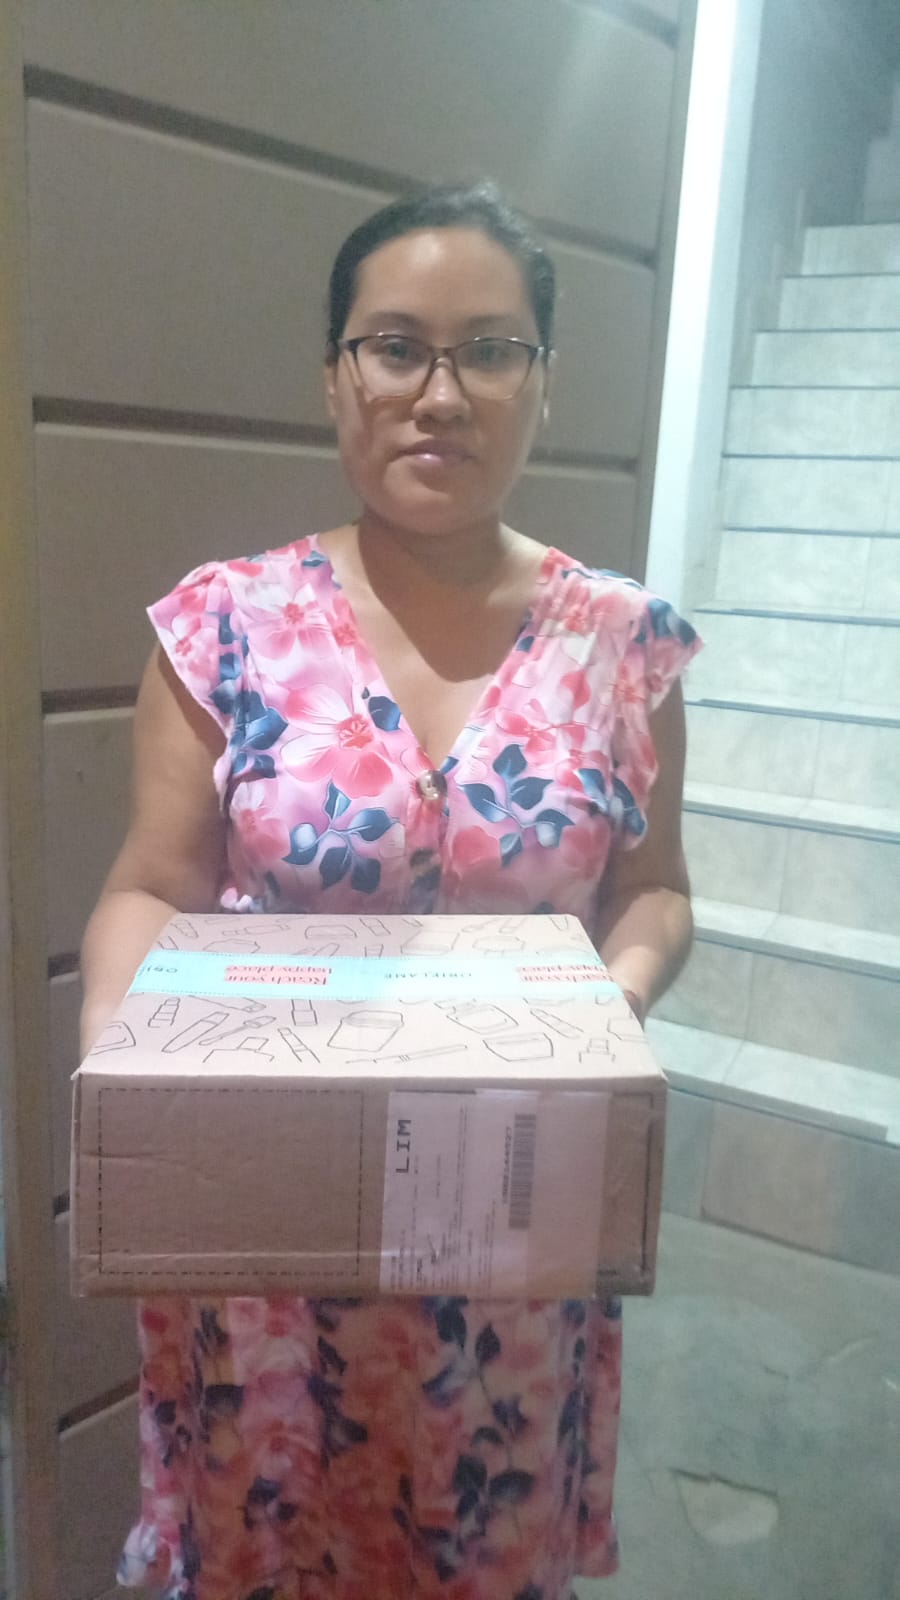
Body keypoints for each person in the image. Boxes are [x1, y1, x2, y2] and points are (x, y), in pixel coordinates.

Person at [80, 181, 701, 1600]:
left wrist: (606, 1011)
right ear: (334, 375)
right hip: (269, 1241)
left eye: (491, 350)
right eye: (396, 347)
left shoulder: (623, 647)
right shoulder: (225, 624)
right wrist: (127, 1066)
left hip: (512, 1230)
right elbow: (151, 884)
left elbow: (660, 891)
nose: (441, 393)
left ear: (544, 383)